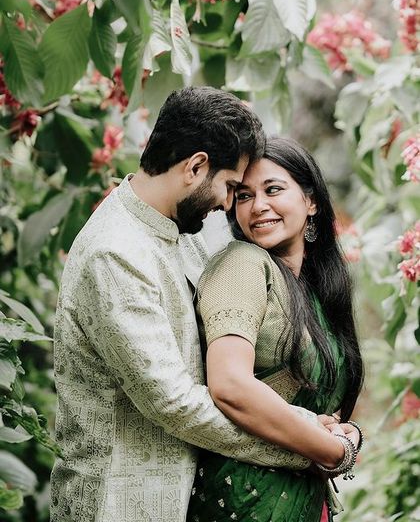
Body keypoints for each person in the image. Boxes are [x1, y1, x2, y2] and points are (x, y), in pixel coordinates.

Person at [50, 88, 332, 522]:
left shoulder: (184, 234)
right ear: (196, 166)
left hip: (183, 498)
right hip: (118, 503)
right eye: (231, 187)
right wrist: (305, 446)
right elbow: (175, 402)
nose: (226, 204)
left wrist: (303, 422)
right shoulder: (115, 252)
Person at [187, 136, 364, 522]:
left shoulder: (315, 292)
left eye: (273, 190)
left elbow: (313, 406)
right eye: (245, 196)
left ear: (311, 201)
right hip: (244, 501)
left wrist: (346, 433)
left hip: (301, 498)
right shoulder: (243, 262)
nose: (258, 206)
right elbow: (230, 386)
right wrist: (334, 451)